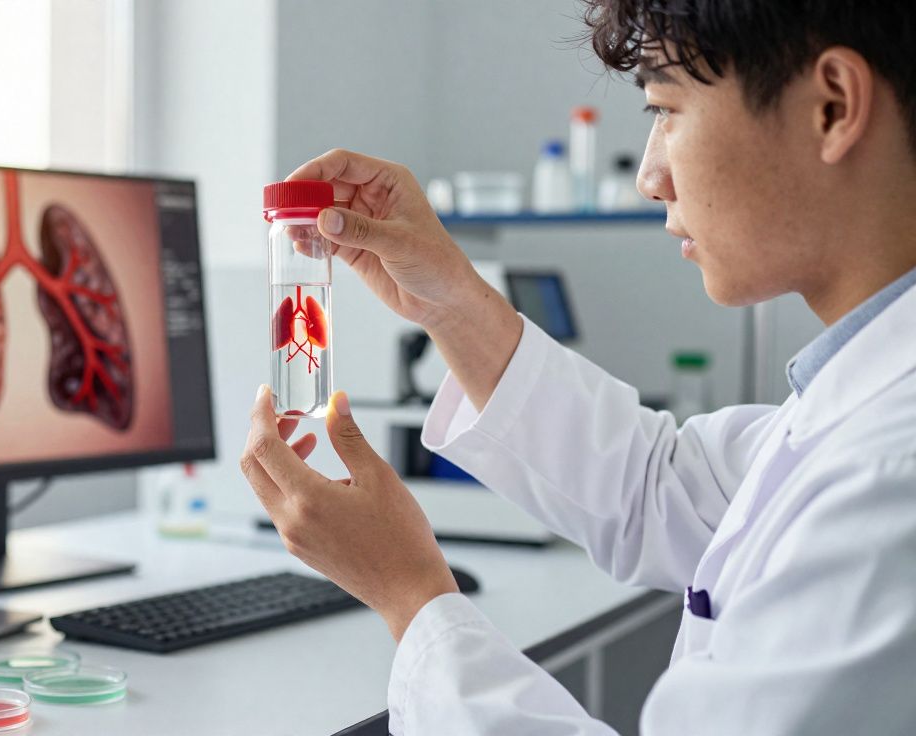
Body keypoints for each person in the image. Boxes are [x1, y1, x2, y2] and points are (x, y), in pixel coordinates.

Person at [238, 1, 916, 733]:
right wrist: (450, 299)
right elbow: (658, 486)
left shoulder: (889, 485)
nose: (649, 176)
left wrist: (410, 596)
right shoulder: (859, 403)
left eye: (666, 109)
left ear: (831, 107)